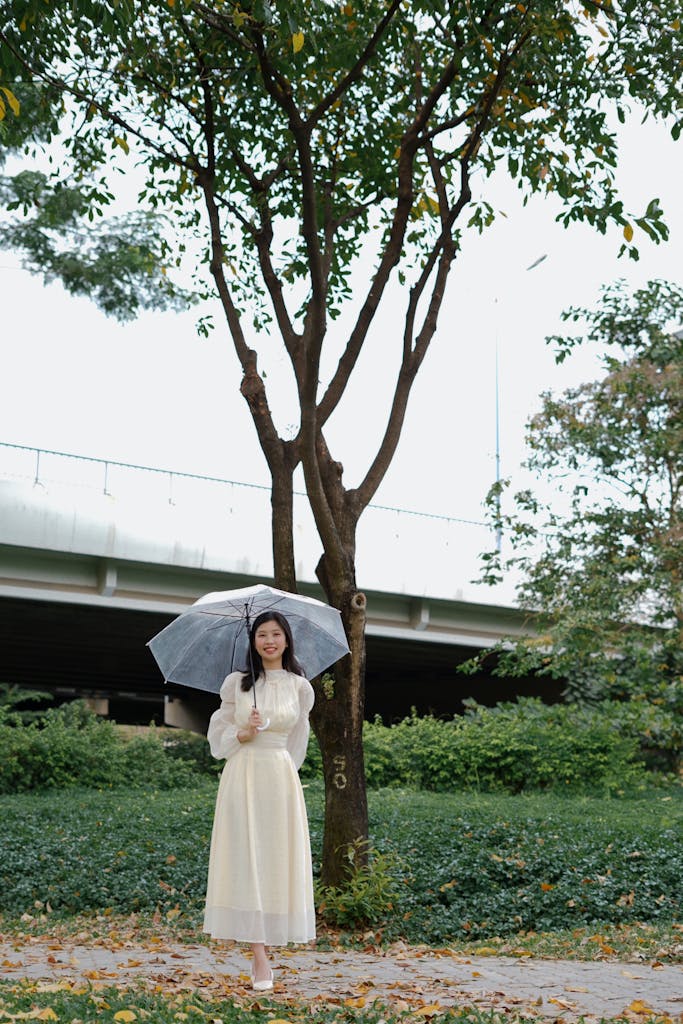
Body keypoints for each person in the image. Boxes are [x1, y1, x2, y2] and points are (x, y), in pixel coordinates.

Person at [203, 610, 316, 990]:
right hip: (243, 774)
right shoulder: (238, 684)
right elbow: (218, 737)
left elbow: (298, 740)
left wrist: (284, 773)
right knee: (247, 857)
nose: (269, 641)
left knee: (274, 859)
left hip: (280, 778)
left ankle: (267, 940)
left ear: (286, 640)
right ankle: (259, 955)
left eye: (276, 634)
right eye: (262, 635)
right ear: (253, 642)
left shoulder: (301, 687)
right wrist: (244, 733)